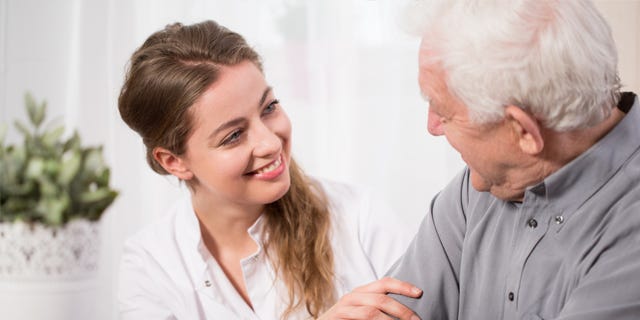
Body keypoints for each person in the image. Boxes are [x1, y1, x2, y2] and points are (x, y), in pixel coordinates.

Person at [116, 20, 421, 320]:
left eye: (269, 108)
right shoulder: (150, 265)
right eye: (233, 135)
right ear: (173, 162)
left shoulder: (360, 218)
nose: (270, 142)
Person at [387, 0, 640, 319]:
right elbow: (393, 311)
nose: (432, 127)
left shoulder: (631, 232)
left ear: (523, 131)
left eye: (443, 111)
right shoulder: (481, 186)